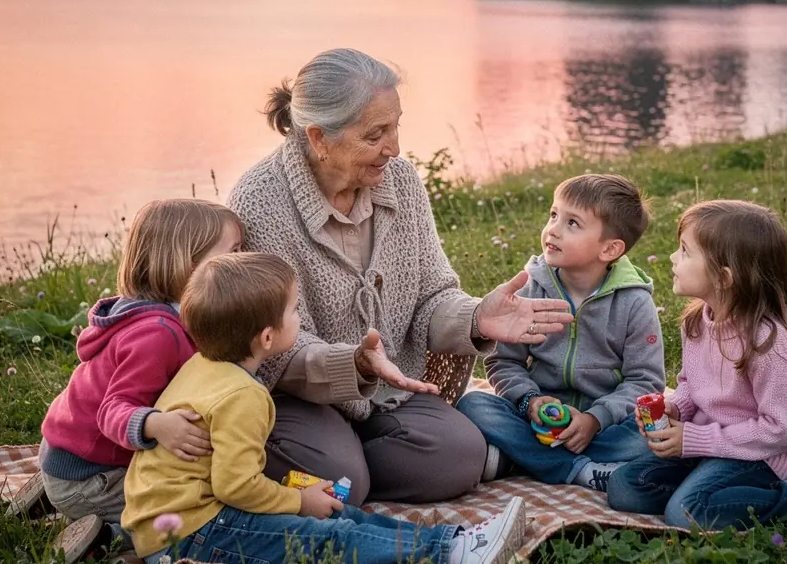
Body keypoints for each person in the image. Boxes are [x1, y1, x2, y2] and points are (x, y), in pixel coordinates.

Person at [227, 48, 573, 505]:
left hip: (388, 391)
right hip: (295, 397)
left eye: (395, 126)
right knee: (341, 474)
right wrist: (352, 364)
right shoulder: (259, 204)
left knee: (459, 455)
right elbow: (269, 349)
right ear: (319, 138)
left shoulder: (401, 182)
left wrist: (475, 318)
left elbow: (431, 298)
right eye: (376, 134)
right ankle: (336, 471)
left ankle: (346, 474)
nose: (394, 148)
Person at [122, 252, 528, 564]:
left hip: (182, 522)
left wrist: (303, 499)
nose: (299, 317)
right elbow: (235, 486)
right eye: (294, 310)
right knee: (322, 540)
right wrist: (296, 500)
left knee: (336, 512)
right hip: (191, 538)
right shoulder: (243, 395)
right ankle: (452, 554)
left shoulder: (199, 365)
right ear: (267, 338)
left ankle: (456, 539)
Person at [607, 200, 787, 530]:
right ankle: (719, 490)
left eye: (685, 251)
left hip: (764, 455)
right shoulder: (698, 322)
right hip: (712, 444)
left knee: (687, 513)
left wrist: (693, 440)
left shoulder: (770, 344)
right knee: (624, 489)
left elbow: (782, 430)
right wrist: (676, 409)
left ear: (724, 277)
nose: (674, 258)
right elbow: (692, 385)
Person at [40, 199, 243, 559]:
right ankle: (104, 537)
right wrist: (156, 424)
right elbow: (111, 410)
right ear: (189, 266)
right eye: (233, 253)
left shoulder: (163, 314)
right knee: (187, 512)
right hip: (89, 475)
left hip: (69, 450)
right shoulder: (157, 335)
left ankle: (49, 495)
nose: (242, 262)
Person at [458, 174, 665, 493]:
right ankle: (581, 470)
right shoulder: (530, 287)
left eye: (573, 223)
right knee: (473, 404)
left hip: (603, 426)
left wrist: (595, 419)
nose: (553, 229)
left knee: (651, 434)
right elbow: (503, 362)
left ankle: (521, 459)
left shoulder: (634, 303)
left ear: (610, 248)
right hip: (537, 419)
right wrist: (531, 401)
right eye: (554, 215)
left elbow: (645, 381)